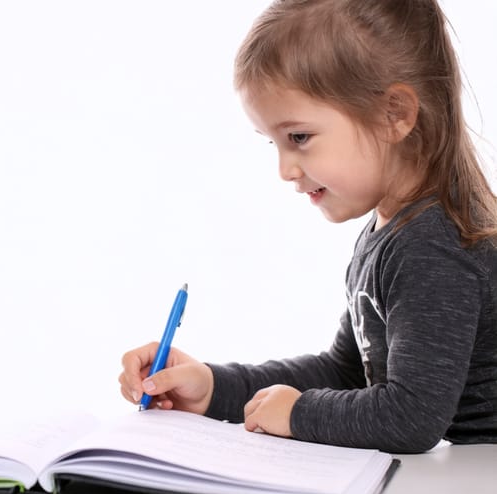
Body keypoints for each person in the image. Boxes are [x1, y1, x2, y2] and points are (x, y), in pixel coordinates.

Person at [119, 0, 497, 454]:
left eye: (299, 137)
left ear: (394, 114)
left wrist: (299, 414)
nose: (285, 169)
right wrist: (214, 387)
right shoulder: (391, 234)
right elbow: (344, 374)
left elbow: (411, 418)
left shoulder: (432, 248)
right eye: (274, 143)